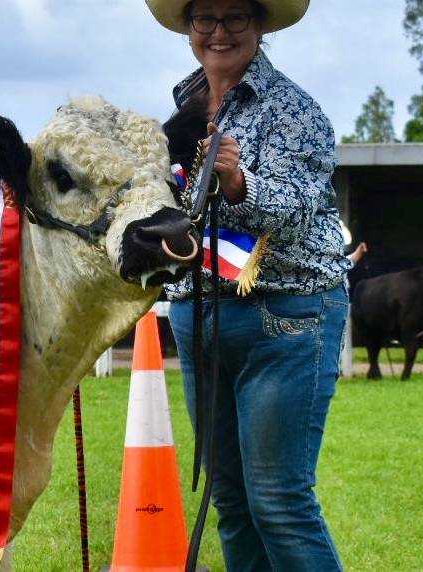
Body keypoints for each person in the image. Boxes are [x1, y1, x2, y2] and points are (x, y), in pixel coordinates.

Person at [146, 1, 350, 570]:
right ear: (188, 30)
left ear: (260, 26)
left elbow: (297, 211)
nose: (218, 33)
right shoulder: (182, 104)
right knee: (231, 502)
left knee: (280, 502)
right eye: (203, 20)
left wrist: (239, 182)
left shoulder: (297, 111)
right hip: (199, 314)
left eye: (234, 18)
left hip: (287, 316)